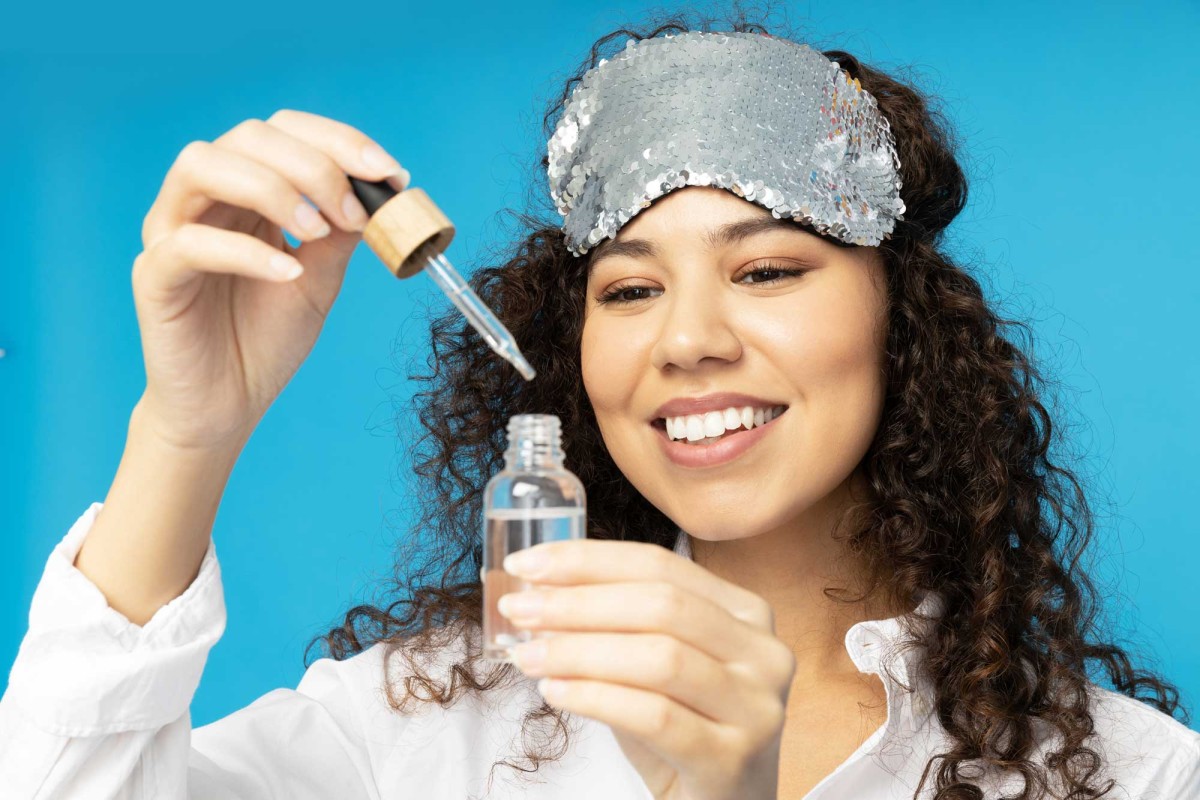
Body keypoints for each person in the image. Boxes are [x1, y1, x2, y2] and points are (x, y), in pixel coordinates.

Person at [2, 11, 1198, 800]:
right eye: (629, 287)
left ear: (906, 321)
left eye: (768, 268)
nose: (684, 338)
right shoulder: (426, 727)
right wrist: (184, 429)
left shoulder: (1127, 778)